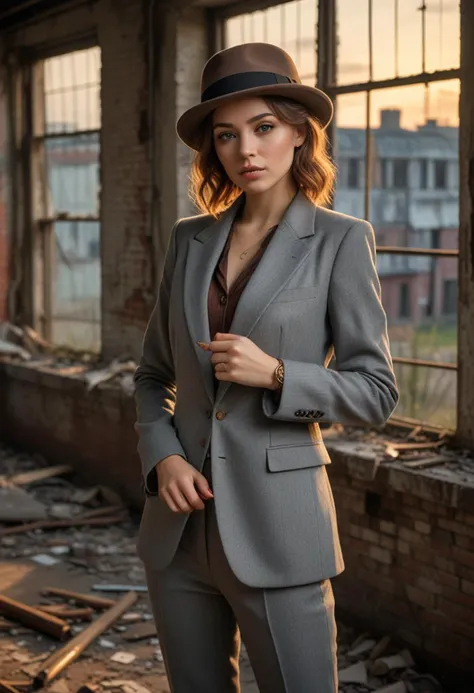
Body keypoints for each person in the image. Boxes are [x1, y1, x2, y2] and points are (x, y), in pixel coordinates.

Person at [133, 42, 398, 693]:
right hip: (180, 532)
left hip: (280, 528)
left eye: (263, 128)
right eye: (227, 135)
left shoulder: (340, 240)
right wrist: (161, 456)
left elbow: (377, 391)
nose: (245, 149)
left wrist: (279, 374)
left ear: (299, 132)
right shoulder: (187, 240)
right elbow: (150, 377)